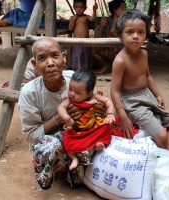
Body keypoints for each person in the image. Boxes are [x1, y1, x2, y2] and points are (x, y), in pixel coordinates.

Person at [18, 37, 106, 190]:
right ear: (35, 65)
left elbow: (94, 101)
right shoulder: (29, 93)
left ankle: (74, 169)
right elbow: (30, 135)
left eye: (55, 55)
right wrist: (59, 118)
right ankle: (55, 170)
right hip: (51, 139)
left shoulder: (75, 80)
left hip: (77, 134)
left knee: (99, 137)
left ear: (64, 58)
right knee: (49, 148)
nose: (50, 63)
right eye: (42, 58)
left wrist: (98, 108)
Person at [110, 10, 169, 152]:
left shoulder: (144, 54)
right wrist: (123, 116)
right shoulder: (120, 60)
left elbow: (147, 76)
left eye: (140, 32)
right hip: (131, 102)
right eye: (129, 32)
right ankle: (163, 163)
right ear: (120, 36)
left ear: (146, 35)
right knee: (161, 135)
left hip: (146, 95)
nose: (135, 36)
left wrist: (158, 95)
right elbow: (114, 91)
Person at [58, 68, 115, 171]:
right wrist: (67, 118)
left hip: (92, 129)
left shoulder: (94, 97)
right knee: (66, 139)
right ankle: (74, 158)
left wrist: (110, 114)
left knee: (106, 126)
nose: (71, 94)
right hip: (76, 132)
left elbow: (107, 101)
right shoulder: (69, 100)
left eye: (77, 92)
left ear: (89, 93)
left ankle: (98, 144)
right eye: (70, 89)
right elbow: (61, 108)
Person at [92, 0, 126, 75]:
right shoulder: (107, 20)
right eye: (122, 8)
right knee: (93, 50)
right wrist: (101, 26)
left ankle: (116, 66)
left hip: (120, 48)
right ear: (114, 10)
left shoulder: (125, 22)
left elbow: (127, 38)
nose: (125, 10)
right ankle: (106, 65)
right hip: (109, 48)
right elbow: (97, 36)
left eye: (125, 8)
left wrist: (116, 34)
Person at [68, 0, 97, 70]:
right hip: (76, 41)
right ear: (74, 8)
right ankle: (77, 68)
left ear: (85, 8)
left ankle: (85, 68)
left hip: (85, 40)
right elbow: (70, 29)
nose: (79, 9)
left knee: (85, 54)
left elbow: (93, 19)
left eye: (81, 7)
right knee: (78, 55)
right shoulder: (72, 18)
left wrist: (94, 10)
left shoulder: (86, 17)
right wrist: (73, 21)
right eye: (77, 7)